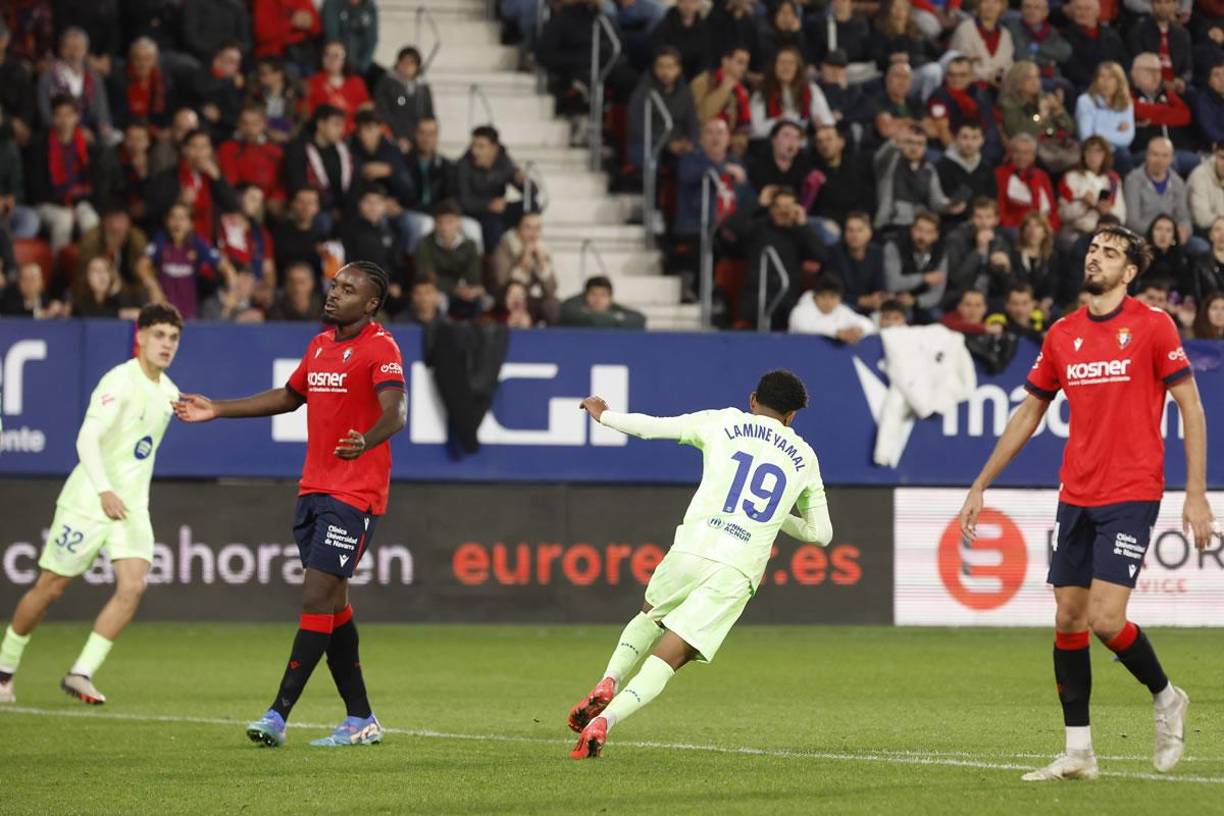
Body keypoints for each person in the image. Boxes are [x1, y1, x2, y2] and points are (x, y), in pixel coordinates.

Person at [957, 223, 1214, 781]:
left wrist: (1196, 494)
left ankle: (1167, 696)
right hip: (1076, 493)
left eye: (1111, 253)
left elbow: (1191, 408)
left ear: (1130, 272)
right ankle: (1079, 753)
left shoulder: (1152, 326)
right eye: (1094, 249)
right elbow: (1029, 411)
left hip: (1132, 491)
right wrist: (980, 483)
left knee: (1104, 618)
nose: (1096, 258)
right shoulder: (1063, 333)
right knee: (1068, 618)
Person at [173, 261, 407, 748]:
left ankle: (278, 715)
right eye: (334, 285)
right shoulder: (320, 345)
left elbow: (396, 413)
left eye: (348, 289)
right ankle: (361, 717)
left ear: (370, 304)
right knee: (334, 605)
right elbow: (288, 395)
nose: (333, 294)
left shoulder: (380, 348)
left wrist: (364, 441)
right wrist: (217, 408)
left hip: (355, 493)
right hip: (314, 489)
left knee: (316, 596)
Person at [567, 370, 832, 759]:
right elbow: (820, 533)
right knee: (673, 655)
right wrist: (778, 515)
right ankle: (605, 722)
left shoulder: (723, 421)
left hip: (693, 546)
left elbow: (653, 428)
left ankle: (609, 679)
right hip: (738, 567)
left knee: (649, 615)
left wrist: (604, 415)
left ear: (753, 399)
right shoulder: (805, 457)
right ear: (792, 416)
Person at [0, 304, 183, 706]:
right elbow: (86, 440)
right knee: (50, 588)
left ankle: (80, 672)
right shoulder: (119, 381)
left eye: (173, 338)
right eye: (159, 335)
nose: (166, 344)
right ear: (140, 337)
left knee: (132, 586)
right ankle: (3, 670)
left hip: (132, 507)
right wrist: (103, 490)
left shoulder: (169, 393)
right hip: (90, 500)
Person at [137, 202, 236, 319]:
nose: (177, 223)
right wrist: (153, 287)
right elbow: (141, 266)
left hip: (190, 315)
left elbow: (227, 268)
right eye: (173, 217)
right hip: (163, 313)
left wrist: (232, 292)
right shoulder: (161, 241)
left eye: (182, 218)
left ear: (190, 224)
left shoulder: (197, 243)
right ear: (167, 221)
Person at [873, 124, 962, 234]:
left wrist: (950, 206)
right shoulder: (890, 162)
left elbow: (936, 202)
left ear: (925, 147)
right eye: (910, 142)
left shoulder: (929, 169)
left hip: (918, 228)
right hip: (890, 225)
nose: (914, 147)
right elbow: (880, 157)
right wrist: (895, 140)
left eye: (920, 144)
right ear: (902, 143)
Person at [628, 47, 699, 170]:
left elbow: (692, 123)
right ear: (654, 68)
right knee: (647, 153)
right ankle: (649, 188)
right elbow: (638, 128)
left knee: (697, 157)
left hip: (678, 143)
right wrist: (667, 144)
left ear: (678, 69)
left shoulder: (685, 93)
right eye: (661, 66)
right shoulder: (642, 93)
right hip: (650, 142)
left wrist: (691, 143)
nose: (665, 72)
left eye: (670, 67)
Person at [457, 125, 525, 251]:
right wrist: (489, 204)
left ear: (494, 148)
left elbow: (531, 193)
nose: (475, 151)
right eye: (473, 145)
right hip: (475, 212)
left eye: (481, 146)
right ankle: (493, 262)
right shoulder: (463, 165)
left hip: (497, 211)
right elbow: (464, 202)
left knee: (529, 207)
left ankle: (526, 250)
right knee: (493, 225)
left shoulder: (503, 162)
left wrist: (523, 182)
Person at [415, 199, 484, 317]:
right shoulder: (425, 244)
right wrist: (454, 289)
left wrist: (473, 289)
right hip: (436, 291)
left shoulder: (469, 246)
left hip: (463, 292)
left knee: (477, 302)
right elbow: (427, 276)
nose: (445, 227)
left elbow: (474, 277)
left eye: (450, 222)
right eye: (441, 222)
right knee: (432, 300)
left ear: (458, 222)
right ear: (435, 224)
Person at [748, 46, 835, 141]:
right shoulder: (762, 92)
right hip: (771, 143)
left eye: (791, 63)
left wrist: (822, 126)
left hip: (803, 143)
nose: (786, 67)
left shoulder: (811, 89)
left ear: (797, 67)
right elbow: (755, 129)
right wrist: (781, 123)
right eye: (782, 63)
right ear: (774, 66)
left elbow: (825, 119)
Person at [491, 212, 560, 326]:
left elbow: (551, 290)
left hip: (527, 298)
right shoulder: (505, 247)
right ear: (518, 229)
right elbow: (501, 282)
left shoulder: (541, 249)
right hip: (503, 297)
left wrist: (542, 265)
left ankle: (554, 340)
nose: (533, 233)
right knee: (515, 296)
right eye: (528, 227)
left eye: (537, 228)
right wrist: (522, 263)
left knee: (552, 304)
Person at [1123, 138, 1193, 247]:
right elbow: (1132, 221)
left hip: (1171, 239)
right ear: (1147, 155)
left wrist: (1184, 229)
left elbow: (1183, 217)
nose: (1160, 160)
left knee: (1199, 247)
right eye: (1155, 154)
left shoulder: (1177, 182)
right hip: (1142, 238)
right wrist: (1160, 233)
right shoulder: (1133, 180)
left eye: (1165, 156)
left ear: (1171, 158)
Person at [883, 210, 947, 322]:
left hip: (921, 300)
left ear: (936, 235)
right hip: (896, 299)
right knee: (904, 316)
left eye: (928, 232)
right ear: (912, 230)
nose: (922, 236)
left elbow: (937, 292)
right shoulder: (894, 246)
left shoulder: (941, 252)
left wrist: (916, 301)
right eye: (919, 230)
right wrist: (924, 278)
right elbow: (892, 283)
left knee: (937, 316)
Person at [1058, 136, 1126, 239]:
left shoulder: (1113, 180)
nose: (1093, 156)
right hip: (1077, 233)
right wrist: (1083, 205)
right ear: (1083, 154)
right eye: (1089, 151)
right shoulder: (1071, 177)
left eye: (1098, 151)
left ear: (1105, 155)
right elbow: (1062, 214)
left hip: (1105, 234)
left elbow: (1121, 217)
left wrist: (1107, 212)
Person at [689, 46, 752, 157]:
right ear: (725, 61)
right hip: (699, 146)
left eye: (746, 63)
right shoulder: (702, 82)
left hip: (728, 150)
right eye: (740, 62)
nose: (744, 68)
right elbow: (700, 116)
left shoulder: (741, 92)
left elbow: (743, 128)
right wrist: (723, 90)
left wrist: (737, 147)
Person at [827, 211, 892, 314]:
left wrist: (880, 297)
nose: (854, 235)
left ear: (869, 233)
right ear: (845, 233)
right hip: (844, 305)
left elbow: (880, 284)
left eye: (859, 230)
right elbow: (831, 290)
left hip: (870, 305)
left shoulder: (877, 253)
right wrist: (860, 301)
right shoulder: (835, 253)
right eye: (850, 230)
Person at [303, 40, 371, 135]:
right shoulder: (313, 82)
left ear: (345, 59)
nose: (331, 59)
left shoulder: (357, 82)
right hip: (323, 133)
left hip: (353, 134)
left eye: (336, 56)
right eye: (327, 55)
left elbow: (365, 109)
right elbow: (308, 113)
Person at [936, 121, 998, 223]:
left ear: (982, 140)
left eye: (975, 138)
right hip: (950, 223)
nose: (969, 143)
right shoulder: (941, 166)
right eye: (965, 137)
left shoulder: (986, 167)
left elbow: (992, 199)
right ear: (956, 139)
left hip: (982, 223)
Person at [373, 47, 433, 152]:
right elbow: (383, 112)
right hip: (393, 139)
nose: (407, 66)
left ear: (418, 66)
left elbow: (429, 114)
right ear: (398, 63)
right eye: (404, 61)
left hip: (419, 141)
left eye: (411, 62)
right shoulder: (387, 83)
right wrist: (399, 137)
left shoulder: (423, 88)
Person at [996, 133, 1060, 231]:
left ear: (1033, 156)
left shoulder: (1041, 175)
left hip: (1043, 228)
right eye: (1017, 152)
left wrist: (1051, 227)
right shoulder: (1000, 174)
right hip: (1015, 228)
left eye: (1026, 153)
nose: (1021, 157)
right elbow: (999, 209)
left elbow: (1052, 208)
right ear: (1010, 154)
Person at [1061, 0, 1128, 92]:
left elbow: (1123, 61)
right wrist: (1098, 83)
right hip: (1084, 86)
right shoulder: (1066, 36)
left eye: (1087, 9)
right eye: (1079, 9)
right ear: (1073, 12)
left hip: (1112, 83)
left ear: (1097, 12)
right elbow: (1071, 68)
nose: (1083, 13)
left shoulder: (1111, 34)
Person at [999, 60, 1074, 141]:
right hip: (1031, 148)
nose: (1035, 82)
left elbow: (1070, 129)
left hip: (1054, 146)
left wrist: (1058, 110)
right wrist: (1040, 116)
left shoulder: (1046, 97)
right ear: (1017, 81)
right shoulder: (1009, 103)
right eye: (1029, 78)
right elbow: (1018, 134)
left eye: (1037, 77)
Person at [788, 274, 877, 341]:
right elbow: (805, 327)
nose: (828, 302)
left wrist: (859, 329)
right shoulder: (800, 311)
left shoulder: (842, 311)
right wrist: (837, 332)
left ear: (839, 298)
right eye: (823, 296)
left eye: (832, 297)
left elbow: (869, 324)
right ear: (815, 296)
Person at [1073, 62, 1134, 160]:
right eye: (1102, 76)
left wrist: (1097, 130)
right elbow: (1087, 137)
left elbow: (1127, 138)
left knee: (1124, 156)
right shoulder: (1085, 101)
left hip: (1116, 151)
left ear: (1119, 82)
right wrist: (1115, 130)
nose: (1105, 81)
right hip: (1091, 150)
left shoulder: (1126, 103)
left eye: (1111, 77)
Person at [1006, 0, 1071, 90]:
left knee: (1067, 87)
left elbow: (1065, 53)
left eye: (1037, 8)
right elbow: (1022, 56)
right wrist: (1050, 60)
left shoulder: (1050, 30)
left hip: (1051, 76)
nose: (1031, 11)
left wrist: (1036, 48)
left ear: (1045, 13)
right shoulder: (1014, 27)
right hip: (1024, 77)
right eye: (1027, 7)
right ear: (1021, 10)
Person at [949, 0, 1014, 88]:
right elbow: (959, 64)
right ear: (978, 4)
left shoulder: (1005, 34)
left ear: (1002, 6)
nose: (990, 6)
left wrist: (998, 77)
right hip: (971, 86)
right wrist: (989, 77)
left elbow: (1007, 65)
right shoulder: (965, 29)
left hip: (1000, 86)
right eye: (985, 1)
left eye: (996, 2)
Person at [647, 0, 710, 82]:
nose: (688, 5)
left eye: (693, 1)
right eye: (683, 1)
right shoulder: (664, 26)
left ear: (699, 4)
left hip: (693, 77)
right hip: (667, 74)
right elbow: (657, 53)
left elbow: (705, 58)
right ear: (677, 2)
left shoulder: (704, 29)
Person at [559, 275, 647, 329]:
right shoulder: (572, 307)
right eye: (593, 294)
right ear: (585, 296)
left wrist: (611, 317)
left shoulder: (615, 308)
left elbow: (639, 319)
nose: (598, 299)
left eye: (603, 295)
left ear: (610, 298)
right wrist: (615, 319)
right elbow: (592, 320)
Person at [70, 255, 140, 318]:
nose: (102, 274)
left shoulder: (118, 300)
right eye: (96, 270)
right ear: (87, 277)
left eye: (105, 270)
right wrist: (118, 314)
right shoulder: (79, 304)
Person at [322, 0, 378, 79]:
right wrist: (344, 65)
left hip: (359, 66)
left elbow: (372, 40)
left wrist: (362, 66)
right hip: (338, 64)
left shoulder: (370, 6)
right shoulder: (332, 3)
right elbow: (332, 39)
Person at [0, 262, 67, 318]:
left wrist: (57, 309)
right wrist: (42, 313)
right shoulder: (9, 298)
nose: (29, 283)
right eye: (25, 279)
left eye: (33, 278)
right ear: (19, 283)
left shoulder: (45, 298)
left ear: (42, 282)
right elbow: (13, 314)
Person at [1187, 142, 1224, 234]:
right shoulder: (1199, 176)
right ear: (1215, 154)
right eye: (1222, 158)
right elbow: (1201, 218)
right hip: (1204, 230)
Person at [940, 288, 1004, 334]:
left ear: (985, 308)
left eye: (978, 305)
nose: (973, 310)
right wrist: (984, 329)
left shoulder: (990, 326)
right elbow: (948, 324)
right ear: (959, 307)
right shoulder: (949, 319)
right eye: (968, 305)